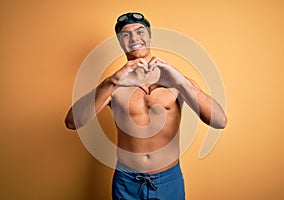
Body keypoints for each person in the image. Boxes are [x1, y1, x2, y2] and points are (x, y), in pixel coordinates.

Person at [65, 12, 227, 200]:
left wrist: (181, 83)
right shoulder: (113, 84)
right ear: (120, 42)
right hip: (126, 183)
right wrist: (111, 81)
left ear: (149, 36)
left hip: (168, 180)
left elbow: (220, 121)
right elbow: (72, 122)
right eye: (126, 35)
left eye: (140, 31)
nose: (134, 38)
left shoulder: (175, 80)